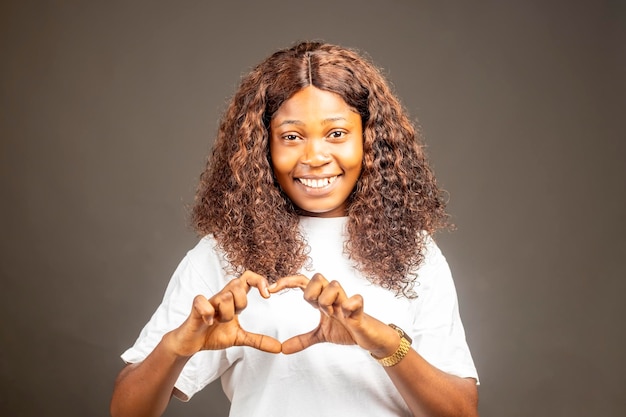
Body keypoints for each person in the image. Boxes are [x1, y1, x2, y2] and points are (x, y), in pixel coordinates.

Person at [110, 41, 479, 417]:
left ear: (369, 142)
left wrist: (383, 342)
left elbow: (461, 412)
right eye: (291, 136)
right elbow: (127, 411)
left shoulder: (414, 252)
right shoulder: (224, 253)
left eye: (336, 134)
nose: (315, 158)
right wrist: (177, 348)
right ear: (262, 147)